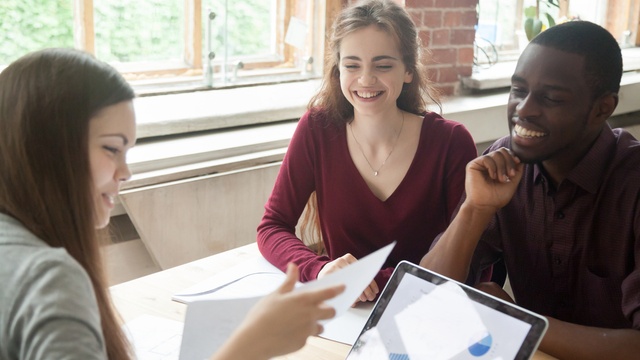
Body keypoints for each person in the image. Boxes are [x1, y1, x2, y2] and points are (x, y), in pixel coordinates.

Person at [0, 48, 344, 360]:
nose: (125, 172)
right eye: (110, 149)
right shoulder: (49, 280)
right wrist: (252, 344)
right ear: (46, 150)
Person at [420, 21, 640, 359]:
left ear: (602, 108)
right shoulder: (503, 163)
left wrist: (515, 321)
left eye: (550, 98)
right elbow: (426, 291)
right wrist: (475, 210)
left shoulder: (632, 184)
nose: (523, 110)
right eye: (518, 90)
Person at [257, 0, 476, 304]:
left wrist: (370, 281)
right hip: (341, 312)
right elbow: (272, 226)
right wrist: (320, 270)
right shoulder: (317, 129)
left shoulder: (450, 142)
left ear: (409, 70)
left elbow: (471, 256)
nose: (366, 79)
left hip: (425, 309)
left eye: (383, 65)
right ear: (338, 70)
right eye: (352, 65)